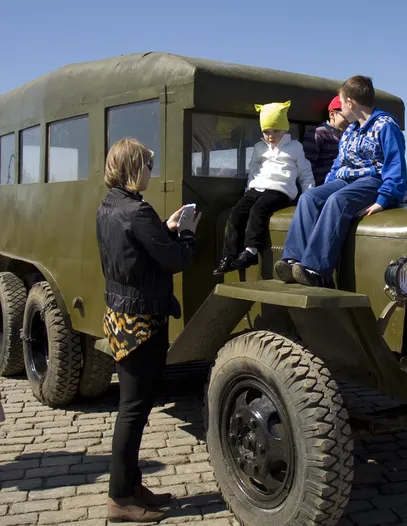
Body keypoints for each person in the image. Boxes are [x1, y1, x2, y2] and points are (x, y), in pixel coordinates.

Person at [97, 137, 199, 523]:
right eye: (147, 167)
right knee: (133, 410)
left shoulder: (110, 206)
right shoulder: (137, 212)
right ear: (132, 169)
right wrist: (185, 232)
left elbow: (138, 248)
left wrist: (163, 226)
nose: (151, 174)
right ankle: (120, 498)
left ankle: (131, 486)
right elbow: (174, 260)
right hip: (141, 322)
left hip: (120, 316)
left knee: (133, 408)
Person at [274, 75, 407, 287]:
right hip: (346, 180)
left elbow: (395, 164)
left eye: (342, 102)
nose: (340, 107)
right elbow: (338, 164)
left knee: (337, 201)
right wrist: (325, 186)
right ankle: (292, 260)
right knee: (309, 197)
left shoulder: (385, 125)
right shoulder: (350, 131)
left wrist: (383, 199)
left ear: (351, 102)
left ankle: (316, 269)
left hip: (372, 180)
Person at [213, 100, 314, 275]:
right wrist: (248, 189)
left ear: (285, 129)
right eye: (267, 132)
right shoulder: (259, 148)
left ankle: (251, 251)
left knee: (258, 210)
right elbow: (254, 170)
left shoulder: (294, 147)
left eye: (276, 130)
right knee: (236, 213)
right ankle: (228, 256)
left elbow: (305, 172)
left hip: (279, 190)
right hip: (257, 188)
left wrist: (308, 195)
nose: (271, 135)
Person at [302, 95, 349, 186]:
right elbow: (306, 166)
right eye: (346, 118)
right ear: (332, 114)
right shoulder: (318, 134)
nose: (350, 122)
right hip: (322, 184)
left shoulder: (351, 136)